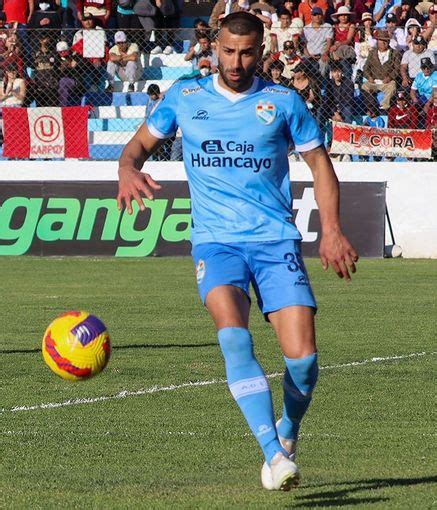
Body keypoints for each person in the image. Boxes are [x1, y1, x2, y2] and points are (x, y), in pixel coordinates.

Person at [117, 12, 358, 491]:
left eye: (246, 52)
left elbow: (320, 165)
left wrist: (331, 229)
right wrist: (126, 169)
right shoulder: (184, 98)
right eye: (227, 51)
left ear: (261, 51)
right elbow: (135, 148)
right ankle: (273, 454)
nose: (235, 61)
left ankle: (287, 434)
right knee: (233, 335)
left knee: (304, 359)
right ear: (214, 48)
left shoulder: (283, 102)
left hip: (275, 241)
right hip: (216, 240)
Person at [362, 29, 401, 110]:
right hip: (374, 81)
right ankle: (372, 107)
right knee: (364, 86)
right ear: (377, 41)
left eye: (385, 41)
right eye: (381, 40)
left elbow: (397, 69)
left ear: (389, 42)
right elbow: (365, 68)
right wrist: (369, 77)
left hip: (387, 82)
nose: (383, 43)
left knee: (392, 86)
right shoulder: (372, 53)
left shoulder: (394, 53)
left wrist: (390, 77)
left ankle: (385, 106)